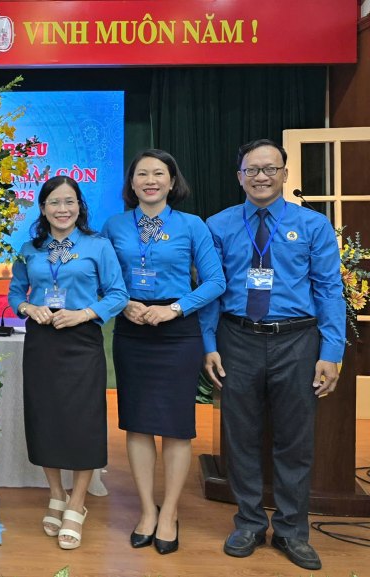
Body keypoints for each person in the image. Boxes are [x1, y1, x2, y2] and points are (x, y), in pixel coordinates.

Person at [201, 139, 344, 571]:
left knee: (295, 440)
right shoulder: (218, 225)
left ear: (284, 173)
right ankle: (248, 523)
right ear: (239, 176)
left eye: (270, 168)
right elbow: (211, 290)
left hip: (297, 341)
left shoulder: (313, 225)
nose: (261, 176)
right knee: (240, 437)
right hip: (237, 338)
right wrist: (209, 345)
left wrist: (331, 350)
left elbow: (329, 290)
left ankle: (291, 530)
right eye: (252, 170)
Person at [101, 149, 225, 555]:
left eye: (159, 174)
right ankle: (146, 510)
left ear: (172, 182)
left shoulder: (192, 225)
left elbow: (215, 282)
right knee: (137, 424)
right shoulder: (114, 225)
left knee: (175, 426)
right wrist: (123, 303)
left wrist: (175, 308)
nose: (150, 181)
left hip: (177, 332)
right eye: (142, 174)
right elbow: (101, 276)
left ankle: (169, 512)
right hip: (132, 331)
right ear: (131, 183)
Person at [8, 175, 128, 550]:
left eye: (69, 202)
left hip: (81, 339)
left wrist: (84, 313)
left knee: (82, 420)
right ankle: (56, 494)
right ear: (43, 209)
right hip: (42, 341)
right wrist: (28, 308)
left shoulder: (98, 246)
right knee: (46, 418)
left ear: (80, 206)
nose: (63, 209)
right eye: (54, 203)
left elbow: (118, 294)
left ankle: (77, 502)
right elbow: (16, 293)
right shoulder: (30, 249)